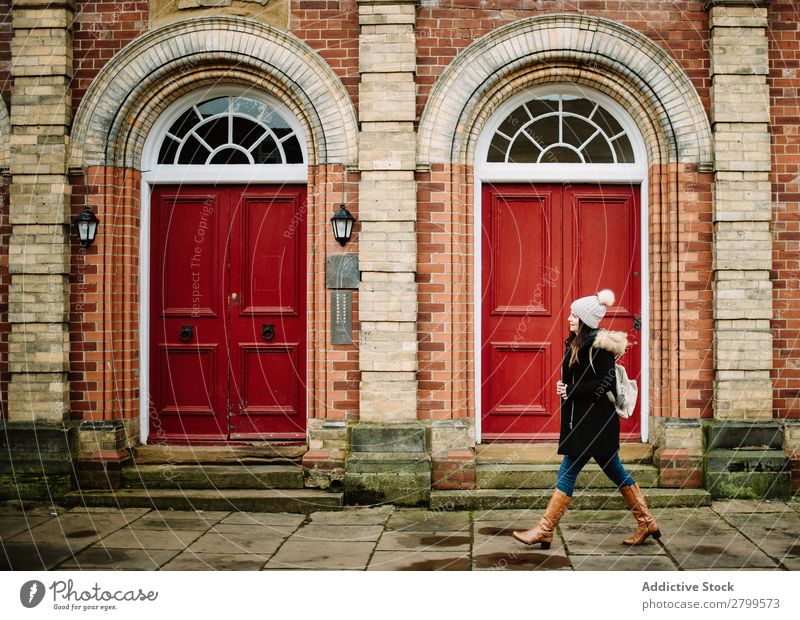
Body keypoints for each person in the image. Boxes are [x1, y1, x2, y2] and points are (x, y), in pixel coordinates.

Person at [512, 289, 661, 549]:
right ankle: (647, 522)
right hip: (588, 424)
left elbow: (605, 383)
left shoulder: (599, 347)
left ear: (585, 321)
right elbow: (584, 380)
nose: (569, 318)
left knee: (568, 471)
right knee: (616, 472)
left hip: (593, 426)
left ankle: (544, 530)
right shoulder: (579, 344)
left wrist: (571, 390)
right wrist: (567, 388)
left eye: (574, 315)